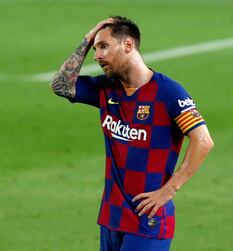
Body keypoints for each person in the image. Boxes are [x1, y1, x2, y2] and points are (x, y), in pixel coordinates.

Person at [50, 16, 214, 251]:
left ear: (127, 45)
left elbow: (204, 141)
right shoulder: (105, 89)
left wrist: (169, 190)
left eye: (103, 46)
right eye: (95, 49)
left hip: (148, 220)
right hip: (112, 217)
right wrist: (87, 39)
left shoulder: (168, 93)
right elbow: (60, 86)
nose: (97, 56)